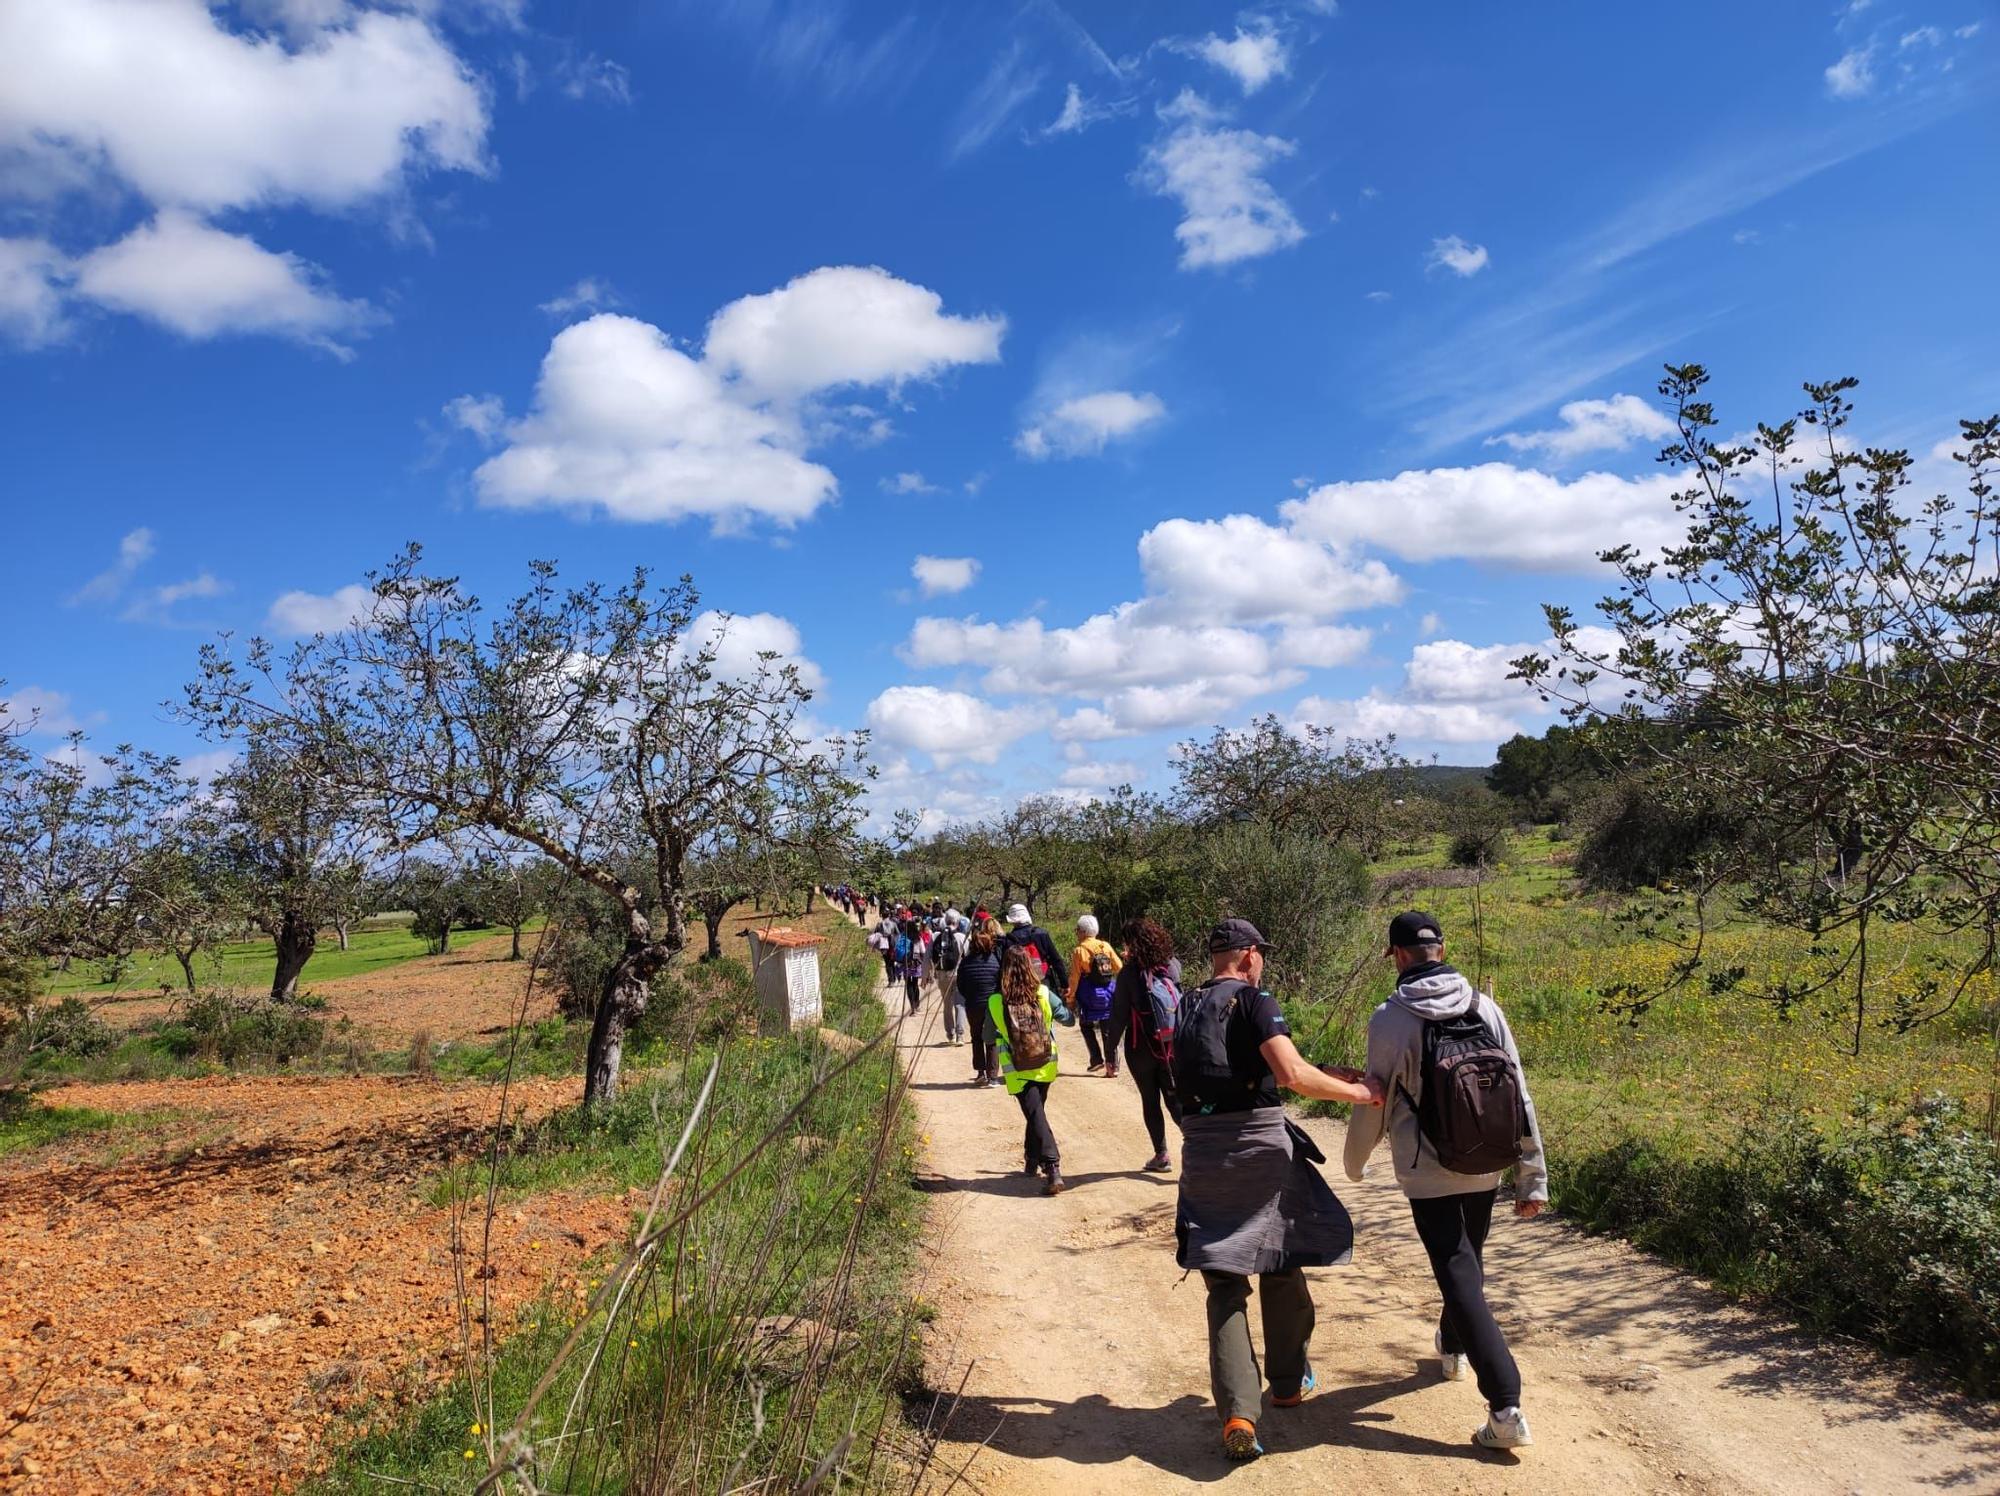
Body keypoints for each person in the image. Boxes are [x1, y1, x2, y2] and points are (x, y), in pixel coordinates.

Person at [1174, 918, 1382, 1462]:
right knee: (1281, 1259)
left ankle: (1239, 1414)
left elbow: (1230, 1072)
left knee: (1224, 1282)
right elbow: (1288, 1074)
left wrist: (1327, 1072)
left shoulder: (1186, 1005)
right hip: (1260, 1149)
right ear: (1246, 957)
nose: (1261, 962)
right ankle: (1288, 1383)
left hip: (1202, 1150)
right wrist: (1360, 1093)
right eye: (1259, 954)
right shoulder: (1256, 999)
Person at [1343, 911, 1548, 1453]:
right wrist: (1532, 1178)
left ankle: (1505, 1404)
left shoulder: (1390, 1018)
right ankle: (1451, 1345)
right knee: (1467, 1260)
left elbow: (1374, 1100)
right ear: (1441, 949)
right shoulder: (1486, 1006)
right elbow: (1518, 1093)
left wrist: (1355, 1161)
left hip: (1427, 1169)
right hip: (1487, 1160)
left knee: (1458, 1272)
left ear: (1398, 955)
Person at [990, 945, 1068, 1195]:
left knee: (1035, 1114)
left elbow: (990, 1035)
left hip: (1017, 1068)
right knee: (1036, 1112)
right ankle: (1032, 1160)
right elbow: (1067, 1017)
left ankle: (1052, 1166)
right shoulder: (1044, 993)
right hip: (1045, 1063)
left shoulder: (996, 1001)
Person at [1110, 917, 1183, 1171]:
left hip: (1139, 1046)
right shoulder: (1172, 966)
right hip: (1171, 1043)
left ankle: (1161, 1156)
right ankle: (1199, 1146)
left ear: (1131, 944)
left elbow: (1118, 1015)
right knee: (1175, 1098)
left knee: (1150, 1100)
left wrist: (1110, 1053)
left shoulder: (1129, 974)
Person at [1066, 914, 1123, 1075]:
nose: (1077, 933)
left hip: (1089, 994)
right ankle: (1112, 1067)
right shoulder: (1106, 946)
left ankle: (1096, 1059)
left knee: (1085, 1026)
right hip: (1108, 991)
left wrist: (1070, 998)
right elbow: (1119, 967)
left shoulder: (1079, 950)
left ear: (1083, 932)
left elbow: (1074, 977)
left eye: (1077, 930)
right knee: (1107, 1029)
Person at [955, 919, 1004, 1086]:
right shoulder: (994, 961)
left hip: (973, 1005)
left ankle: (980, 1072)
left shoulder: (965, 962)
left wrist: (970, 996)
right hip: (991, 1004)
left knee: (976, 1037)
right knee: (991, 1038)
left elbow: (960, 985)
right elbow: (1000, 982)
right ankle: (993, 1076)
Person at [1001, 903, 1069, 997]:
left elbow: (1005, 968)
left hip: (1021, 986)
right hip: (1044, 981)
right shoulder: (1041, 934)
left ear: (1012, 921)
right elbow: (1056, 960)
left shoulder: (1008, 940)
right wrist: (1065, 984)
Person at [931, 912, 969, 1044]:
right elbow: (968, 957)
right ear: (957, 921)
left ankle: (950, 1034)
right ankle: (960, 1035)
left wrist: (926, 976)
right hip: (959, 975)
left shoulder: (936, 936)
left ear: (945, 921)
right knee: (960, 1004)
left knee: (947, 1004)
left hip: (942, 976)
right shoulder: (962, 937)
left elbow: (929, 957)